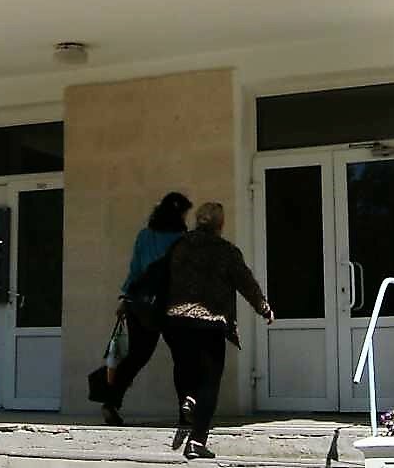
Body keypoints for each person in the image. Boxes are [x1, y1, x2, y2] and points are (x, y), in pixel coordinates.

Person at [164, 201, 274, 460]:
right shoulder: (226, 251)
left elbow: (163, 277)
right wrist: (264, 308)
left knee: (184, 367)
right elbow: (246, 283)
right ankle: (197, 441)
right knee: (209, 381)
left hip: (176, 321)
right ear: (220, 224)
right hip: (209, 323)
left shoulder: (178, 246)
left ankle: (187, 398)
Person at [101, 191, 193, 426]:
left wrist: (125, 298)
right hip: (173, 305)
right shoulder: (184, 240)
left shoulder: (145, 236)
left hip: (141, 305)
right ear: (180, 214)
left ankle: (111, 402)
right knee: (183, 358)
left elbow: (135, 270)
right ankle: (186, 411)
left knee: (136, 356)